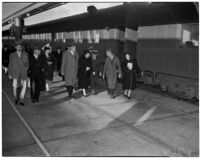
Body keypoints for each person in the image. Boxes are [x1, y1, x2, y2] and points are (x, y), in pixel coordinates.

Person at [8, 41, 29, 106]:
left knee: (23, 87)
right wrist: (9, 73)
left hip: (23, 74)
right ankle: (16, 99)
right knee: (14, 87)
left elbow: (28, 63)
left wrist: (26, 68)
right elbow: (10, 64)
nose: (19, 47)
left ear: (22, 47)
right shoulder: (12, 55)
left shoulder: (25, 54)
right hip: (15, 74)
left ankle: (21, 100)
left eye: (20, 46)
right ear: (15, 47)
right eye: (18, 46)